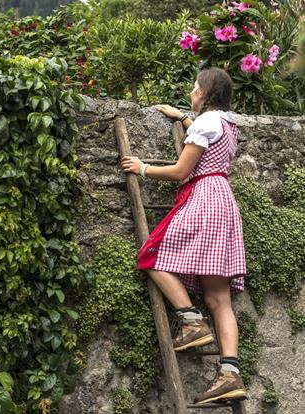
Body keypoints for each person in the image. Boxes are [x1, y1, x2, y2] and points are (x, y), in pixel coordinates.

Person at [121, 67, 247, 405]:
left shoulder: (206, 123)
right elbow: (206, 140)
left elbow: (181, 170)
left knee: (150, 255)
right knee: (219, 300)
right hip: (223, 199)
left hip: (203, 198)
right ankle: (230, 373)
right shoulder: (227, 123)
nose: (191, 92)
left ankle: (190, 322)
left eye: (194, 88)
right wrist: (181, 117)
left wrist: (143, 167)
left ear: (204, 94)